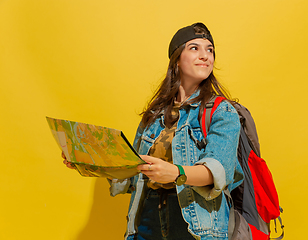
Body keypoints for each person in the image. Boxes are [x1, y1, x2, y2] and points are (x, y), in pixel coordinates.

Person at [64, 22, 243, 240]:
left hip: (195, 223)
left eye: (210, 50)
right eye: (194, 48)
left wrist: (176, 173)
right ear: (176, 59)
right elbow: (132, 172)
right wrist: (87, 162)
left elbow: (218, 172)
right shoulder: (156, 114)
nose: (205, 56)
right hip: (147, 218)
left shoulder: (222, 111)